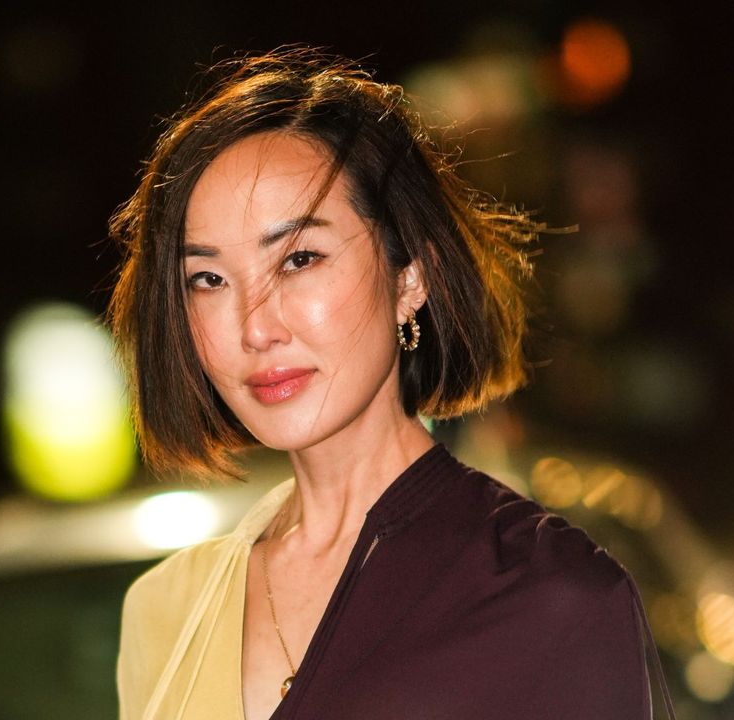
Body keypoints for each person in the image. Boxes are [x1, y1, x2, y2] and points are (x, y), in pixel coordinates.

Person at [107, 47, 674, 720]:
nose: (254, 326)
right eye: (208, 279)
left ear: (411, 276)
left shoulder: (549, 596)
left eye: (299, 259)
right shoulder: (165, 609)